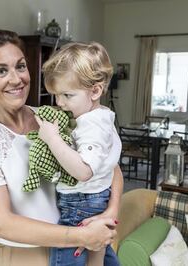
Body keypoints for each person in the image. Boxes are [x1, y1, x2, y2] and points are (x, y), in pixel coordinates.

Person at [0, 29, 123, 266]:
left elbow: (107, 166)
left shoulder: (54, 118)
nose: (16, 79)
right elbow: (1, 223)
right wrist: (83, 235)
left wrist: (110, 213)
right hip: (27, 257)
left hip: (81, 246)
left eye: (21, 66)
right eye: (2, 70)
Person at [38, 42, 122, 266]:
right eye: (56, 95)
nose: (60, 103)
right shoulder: (102, 116)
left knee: (67, 257)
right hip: (96, 199)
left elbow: (84, 171)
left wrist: (53, 139)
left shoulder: (92, 126)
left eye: (67, 95)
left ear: (95, 91)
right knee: (100, 255)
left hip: (80, 204)